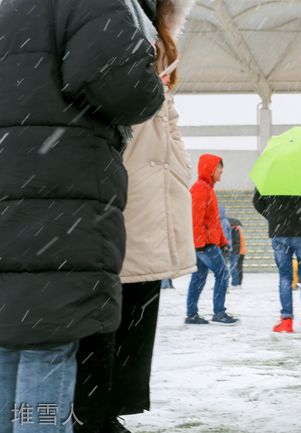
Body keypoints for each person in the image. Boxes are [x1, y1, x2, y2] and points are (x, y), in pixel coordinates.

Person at [0, 0, 164, 431]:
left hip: (14, 196)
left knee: (7, 344)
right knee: (46, 346)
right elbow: (120, 86)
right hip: (57, 199)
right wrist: (153, 79)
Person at [72, 1, 197, 432]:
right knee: (109, 303)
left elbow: (166, 111)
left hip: (154, 180)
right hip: (121, 175)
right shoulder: (113, 21)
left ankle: (113, 407)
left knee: (139, 298)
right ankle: (94, 411)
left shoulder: (156, 32)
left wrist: (179, 164)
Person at [253, 188, 301, 333]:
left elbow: (257, 202)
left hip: (279, 231)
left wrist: (273, 216)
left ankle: (286, 320)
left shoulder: (269, 172)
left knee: (285, 276)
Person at [185, 154, 239, 325]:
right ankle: (219, 312)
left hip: (206, 242)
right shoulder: (200, 188)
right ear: (210, 169)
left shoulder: (207, 188)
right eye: (219, 167)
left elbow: (214, 222)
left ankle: (192, 314)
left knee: (199, 277)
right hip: (204, 244)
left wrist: (223, 242)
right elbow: (195, 218)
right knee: (222, 273)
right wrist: (200, 243)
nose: (222, 171)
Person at [228, 218, 246, 289]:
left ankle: (237, 283)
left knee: (236, 267)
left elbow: (237, 242)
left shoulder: (235, 230)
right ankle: (238, 283)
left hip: (239, 251)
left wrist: (233, 249)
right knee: (237, 267)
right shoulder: (235, 230)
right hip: (239, 251)